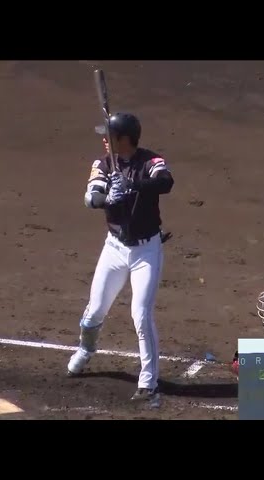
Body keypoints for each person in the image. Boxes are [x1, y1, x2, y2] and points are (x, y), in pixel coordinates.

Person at [66, 112, 174, 407]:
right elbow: (91, 198)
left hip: (146, 251)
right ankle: (86, 349)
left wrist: (132, 185)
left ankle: (148, 382)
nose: (104, 140)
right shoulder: (103, 164)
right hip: (114, 248)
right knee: (94, 311)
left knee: (141, 314)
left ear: (124, 139)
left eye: (109, 136)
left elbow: (166, 182)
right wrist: (109, 197)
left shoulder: (150, 161)